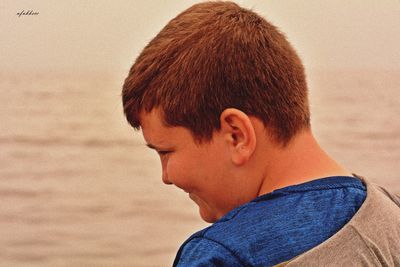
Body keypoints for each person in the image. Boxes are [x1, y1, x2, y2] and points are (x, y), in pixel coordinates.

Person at [122, 1, 400, 266]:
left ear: (236, 135)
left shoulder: (223, 256)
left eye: (165, 151)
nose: (166, 176)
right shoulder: (391, 214)